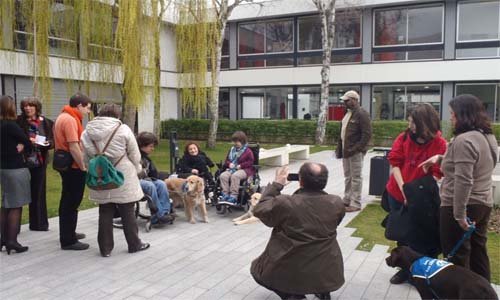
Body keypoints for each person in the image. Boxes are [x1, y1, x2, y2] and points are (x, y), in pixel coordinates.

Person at [419, 94, 497, 282]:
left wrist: (459, 215)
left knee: (457, 259)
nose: (451, 119)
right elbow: (477, 163)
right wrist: (440, 158)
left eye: (453, 115)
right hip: (483, 203)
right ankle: (483, 293)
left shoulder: (463, 140)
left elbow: (464, 179)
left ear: (463, 116)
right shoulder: (487, 136)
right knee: (479, 254)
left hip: (460, 205)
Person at [251, 163, 345, 300]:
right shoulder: (336, 203)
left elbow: (259, 210)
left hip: (291, 267)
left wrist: (277, 185)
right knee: (316, 261)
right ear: (324, 181)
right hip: (328, 270)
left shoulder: (286, 203)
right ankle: (322, 290)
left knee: (257, 269)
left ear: (300, 180)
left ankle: (293, 296)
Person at [384, 103, 447, 284]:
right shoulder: (403, 138)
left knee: (421, 235)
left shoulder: (439, 143)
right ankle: (403, 269)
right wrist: (404, 190)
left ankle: (419, 271)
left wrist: (414, 195)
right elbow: (395, 163)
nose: (410, 125)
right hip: (398, 191)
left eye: (413, 122)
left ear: (425, 123)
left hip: (422, 197)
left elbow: (436, 173)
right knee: (402, 235)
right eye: (409, 121)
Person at [81, 104, 149, 257]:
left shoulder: (86, 132)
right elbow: (135, 155)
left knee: (104, 211)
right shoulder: (123, 129)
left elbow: (85, 157)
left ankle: (105, 249)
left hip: (100, 175)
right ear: (117, 115)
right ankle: (134, 244)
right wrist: (138, 168)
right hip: (122, 174)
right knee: (127, 211)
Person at [53, 93, 92, 250]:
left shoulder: (63, 116)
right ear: (79, 106)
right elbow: (74, 146)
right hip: (73, 167)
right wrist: (83, 166)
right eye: (88, 108)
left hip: (67, 165)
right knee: (72, 202)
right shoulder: (69, 120)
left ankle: (68, 233)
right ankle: (68, 240)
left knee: (67, 200)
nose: (88, 111)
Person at [0, 95, 32, 254]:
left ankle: (3, 239)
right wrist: (22, 145)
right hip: (15, 168)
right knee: (16, 204)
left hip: (3, 168)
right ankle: (12, 240)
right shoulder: (11, 126)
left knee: (6, 203)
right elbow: (27, 141)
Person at [17, 97, 54, 231]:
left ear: (36, 107)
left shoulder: (47, 122)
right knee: (19, 193)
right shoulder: (18, 122)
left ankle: (39, 224)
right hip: (22, 162)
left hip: (40, 161)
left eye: (30, 106)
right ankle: (14, 226)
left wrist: (47, 144)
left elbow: (52, 140)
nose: (27, 108)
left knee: (39, 192)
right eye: (25, 106)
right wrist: (28, 142)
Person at [335, 90, 372, 212]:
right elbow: (343, 133)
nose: (345, 102)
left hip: (355, 151)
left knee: (356, 177)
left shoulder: (362, 114)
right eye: (344, 100)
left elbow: (367, 135)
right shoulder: (347, 113)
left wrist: (357, 149)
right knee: (348, 176)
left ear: (355, 100)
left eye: (347, 100)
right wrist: (339, 149)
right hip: (346, 151)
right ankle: (347, 199)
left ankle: (355, 203)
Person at [136, 131, 175, 225]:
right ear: (143, 145)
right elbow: (136, 173)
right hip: (133, 181)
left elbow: (153, 173)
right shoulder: (135, 155)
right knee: (150, 185)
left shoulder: (145, 157)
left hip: (144, 179)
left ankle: (165, 212)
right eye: (151, 146)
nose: (152, 149)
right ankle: (159, 215)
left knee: (161, 184)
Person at [218, 131, 254, 205]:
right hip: (232, 169)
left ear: (242, 141)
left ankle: (233, 196)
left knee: (235, 176)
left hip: (245, 170)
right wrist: (229, 164)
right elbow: (226, 161)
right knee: (223, 175)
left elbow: (250, 162)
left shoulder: (248, 151)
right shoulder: (231, 150)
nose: (235, 143)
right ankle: (225, 195)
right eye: (234, 141)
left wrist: (241, 165)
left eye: (237, 141)